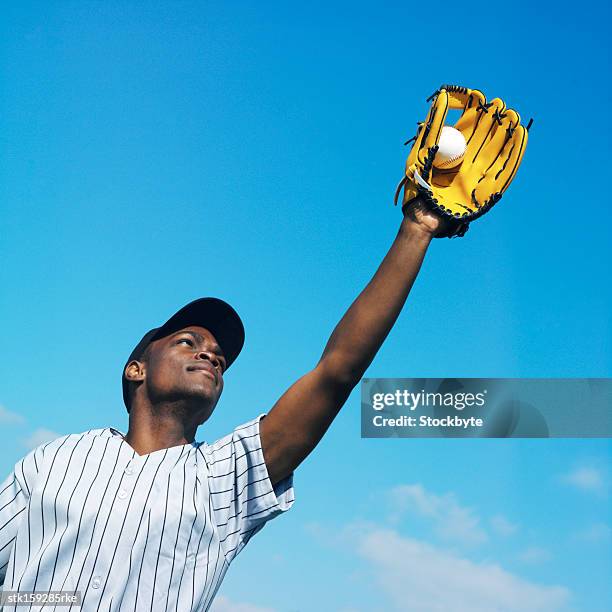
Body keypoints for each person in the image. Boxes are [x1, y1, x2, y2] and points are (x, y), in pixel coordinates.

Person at [0, 200, 447, 610]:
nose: (211, 354)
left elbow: (337, 373)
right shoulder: (57, 459)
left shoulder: (224, 479)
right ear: (136, 368)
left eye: (220, 356)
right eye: (188, 341)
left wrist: (417, 227)